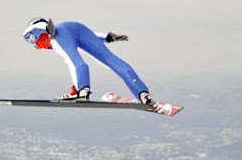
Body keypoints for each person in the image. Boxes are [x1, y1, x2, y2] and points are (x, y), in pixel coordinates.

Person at [23, 17, 157, 106]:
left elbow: (30, 30)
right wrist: (108, 37)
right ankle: (143, 94)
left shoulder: (39, 36)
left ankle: (81, 92)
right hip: (78, 28)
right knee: (111, 60)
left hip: (59, 33)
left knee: (73, 61)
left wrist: (46, 27)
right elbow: (91, 35)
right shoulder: (56, 28)